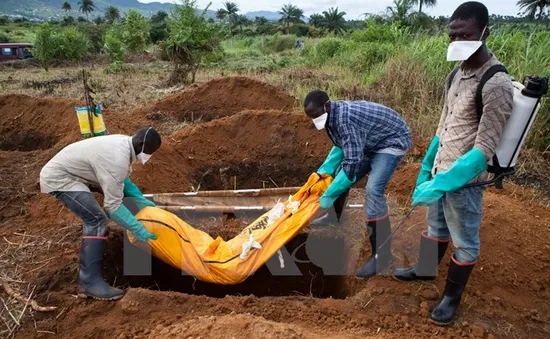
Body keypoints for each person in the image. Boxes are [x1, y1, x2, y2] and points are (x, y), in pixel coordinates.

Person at [393, 1, 513, 326]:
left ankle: (450, 299)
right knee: (436, 227)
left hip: (465, 183)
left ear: (486, 32)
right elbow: (442, 127)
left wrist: (443, 183)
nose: (457, 40)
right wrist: (425, 170)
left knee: (465, 241)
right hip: (441, 170)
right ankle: (424, 269)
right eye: (453, 34)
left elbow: (484, 150)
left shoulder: (496, 84)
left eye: (466, 34)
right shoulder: (455, 74)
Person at [40, 127, 162, 301]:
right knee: (96, 219)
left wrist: (140, 200)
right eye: (150, 151)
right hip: (61, 178)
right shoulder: (117, 158)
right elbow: (112, 206)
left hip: (75, 172)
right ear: (141, 143)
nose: (149, 156)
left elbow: (122, 181)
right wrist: (137, 229)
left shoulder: (124, 144)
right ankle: (89, 282)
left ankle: (90, 281)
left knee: (97, 216)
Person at [304, 90, 413, 280]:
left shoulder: (345, 120)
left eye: (316, 115)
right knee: (339, 175)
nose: (315, 119)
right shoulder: (331, 116)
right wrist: (322, 172)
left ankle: (381, 256)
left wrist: (328, 195)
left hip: (391, 141)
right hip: (370, 141)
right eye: (311, 117)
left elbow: (353, 162)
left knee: (373, 190)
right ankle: (333, 217)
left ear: (327, 106)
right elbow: (340, 148)